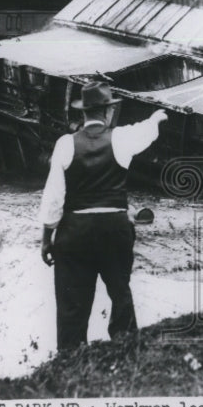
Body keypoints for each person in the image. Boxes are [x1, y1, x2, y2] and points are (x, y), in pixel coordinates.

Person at [38, 81, 168, 351]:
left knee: (72, 304)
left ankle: (70, 357)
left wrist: (46, 238)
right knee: (120, 293)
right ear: (108, 112)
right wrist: (156, 118)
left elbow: (53, 200)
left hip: (76, 231)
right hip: (114, 229)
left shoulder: (65, 144)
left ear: (83, 113)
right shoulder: (121, 138)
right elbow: (147, 131)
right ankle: (125, 350)